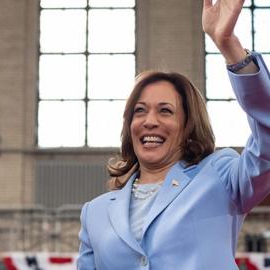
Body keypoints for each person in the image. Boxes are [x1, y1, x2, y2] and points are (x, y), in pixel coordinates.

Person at [77, 0, 270, 269]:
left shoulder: (221, 177)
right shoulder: (94, 213)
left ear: (188, 125)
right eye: (140, 111)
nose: (150, 121)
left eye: (165, 111)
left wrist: (231, 48)